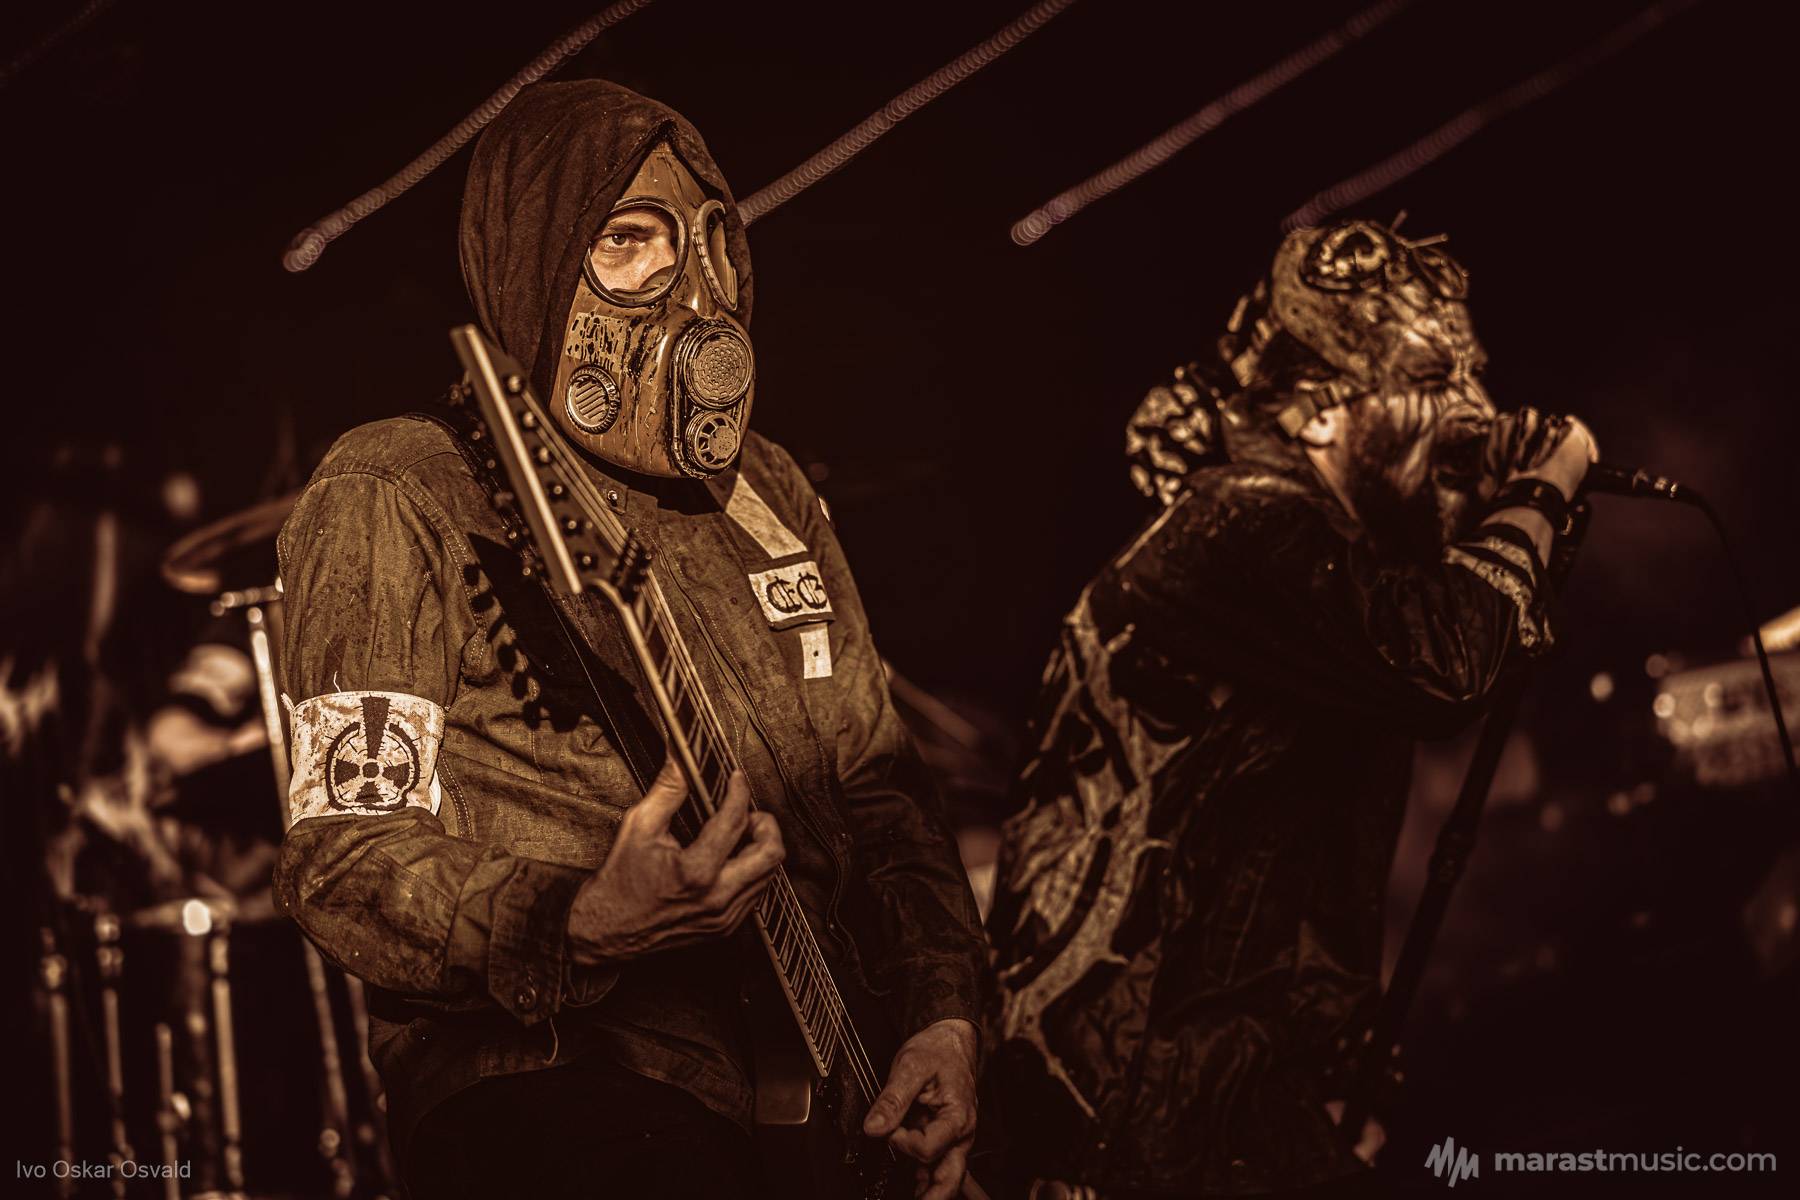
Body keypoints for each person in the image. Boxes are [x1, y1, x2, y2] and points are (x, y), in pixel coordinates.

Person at [273, 80, 985, 1200]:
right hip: (554, 1083)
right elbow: (346, 861)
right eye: (629, 243)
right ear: (535, 264)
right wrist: (574, 923)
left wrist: (944, 1016)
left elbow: (880, 791)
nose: (696, 292)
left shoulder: (766, 492)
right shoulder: (397, 488)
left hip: (818, 1097)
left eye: (711, 244)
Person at [984, 219, 1596, 1198]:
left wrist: (1344, 1071)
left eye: (1472, 378)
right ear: (1317, 413)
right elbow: (1447, 665)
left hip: (1224, 1093)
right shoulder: (1240, 524)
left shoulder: (1339, 579)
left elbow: (1313, 883)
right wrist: (1541, 488)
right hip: (1118, 1105)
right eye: (1432, 380)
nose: (1474, 411)